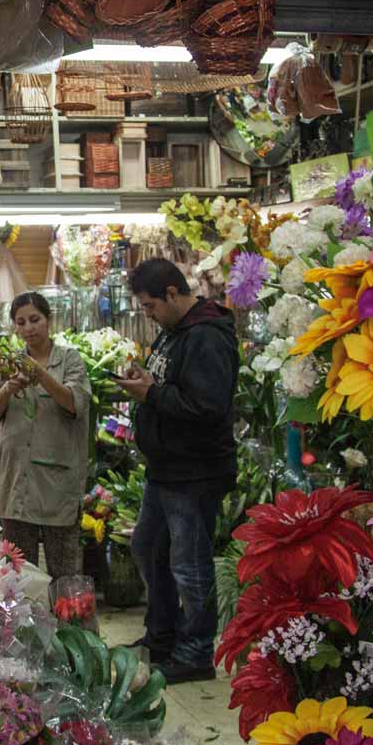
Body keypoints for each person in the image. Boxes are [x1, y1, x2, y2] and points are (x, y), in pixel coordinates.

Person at [113, 258, 239, 685]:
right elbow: (174, 388)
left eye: (150, 306)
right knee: (148, 548)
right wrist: (147, 381)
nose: (147, 314)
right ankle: (161, 636)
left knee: (190, 564)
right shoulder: (174, 333)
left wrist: (152, 393)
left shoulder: (206, 337)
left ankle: (196, 652)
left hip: (194, 471)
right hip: (166, 468)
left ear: (171, 293)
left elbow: (207, 407)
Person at [0, 292, 92, 581]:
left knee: (65, 574)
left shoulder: (70, 359)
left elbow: (75, 404)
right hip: (15, 482)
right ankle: (22, 628)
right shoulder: (8, 364)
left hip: (56, 486)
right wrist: (7, 389)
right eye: (21, 322)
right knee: (17, 575)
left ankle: (72, 626)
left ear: (48, 320)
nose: (29, 327)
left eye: (35, 319)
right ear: (14, 328)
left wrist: (40, 375)